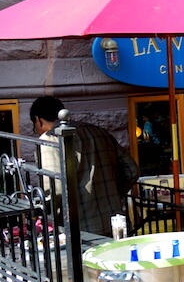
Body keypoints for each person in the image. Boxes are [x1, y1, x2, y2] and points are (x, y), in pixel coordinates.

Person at [31, 96, 140, 236]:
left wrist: (40, 211)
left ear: (38, 120)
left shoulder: (49, 140)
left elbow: (54, 190)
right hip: (115, 223)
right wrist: (113, 193)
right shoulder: (99, 132)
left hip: (82, 229)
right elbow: (132, 170)